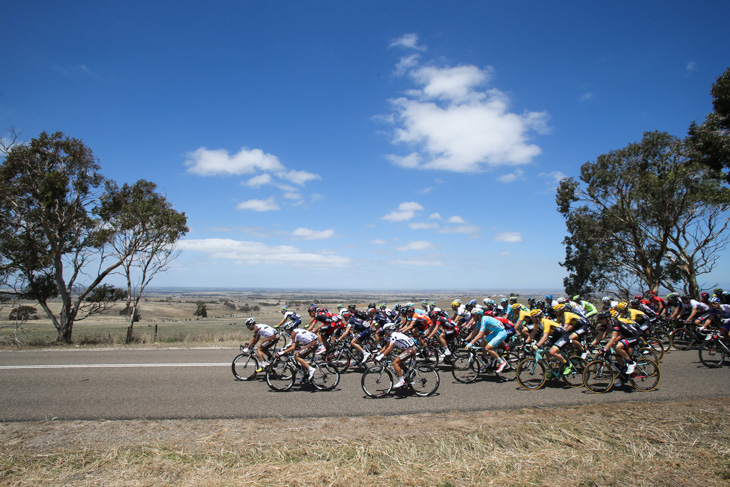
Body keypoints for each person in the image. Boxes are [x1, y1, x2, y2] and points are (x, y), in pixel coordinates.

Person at [526, 307, 573, 376]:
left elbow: (545, 337)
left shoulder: (545, 322)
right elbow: (532, 333)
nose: (531, 318)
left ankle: (568, 365)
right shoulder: (537, 323)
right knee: (547, 351)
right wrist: (525, 343)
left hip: (563, 335)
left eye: (532, 317)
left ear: (538, 317)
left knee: (552, 352)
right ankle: (553, 369)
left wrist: (537, 346)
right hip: (556, 336)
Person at [465, 308, 509, 373]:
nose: (472, 317)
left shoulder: (484, 320)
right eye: (472, 315)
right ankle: (486, 363)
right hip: (495, 332)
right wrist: (465, 339)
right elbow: (474, 332)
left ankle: (502, 362)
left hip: (501, 333)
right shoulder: (479, 321)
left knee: (487, 348)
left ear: (479, 315)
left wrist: (471, 343)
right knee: (482, 343)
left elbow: (480, 335)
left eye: (474, 315)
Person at [374, 323, 417, 389]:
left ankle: (402, 381)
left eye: (385, 331)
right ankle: (407, 371)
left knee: (395, 363)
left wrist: (381, 356)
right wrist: (378, 353)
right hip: (408, 349)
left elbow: (389, 348)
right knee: (397, 362)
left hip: (410, 349)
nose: (385, 333)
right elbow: (386, 346)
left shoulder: (394, 335)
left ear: (390, 330)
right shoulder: (392, 335)